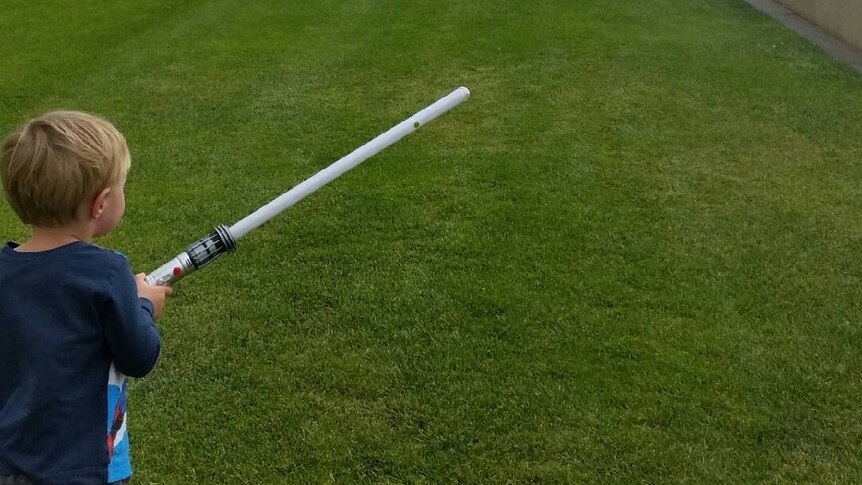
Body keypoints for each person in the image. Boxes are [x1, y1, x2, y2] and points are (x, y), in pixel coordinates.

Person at [0, 111, 173, 485]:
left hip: (10, 463)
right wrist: (144, 304)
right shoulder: (107, 271)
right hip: (87, 467)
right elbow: (139, 355)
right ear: (101, 204)